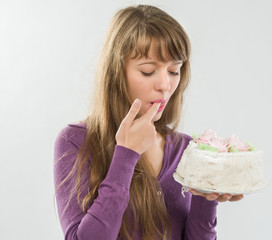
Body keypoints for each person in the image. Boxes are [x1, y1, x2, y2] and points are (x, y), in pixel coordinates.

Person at [53, 4, 244, 240]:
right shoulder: (76, 142)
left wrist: (207, 197)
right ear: (116, 73)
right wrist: (126, 155)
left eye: (174, 71)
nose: (164, 85)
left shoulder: (187, 150)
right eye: (147, 72)